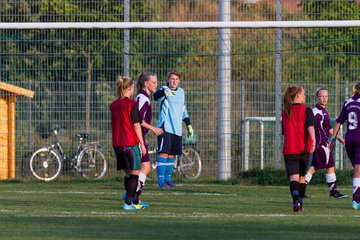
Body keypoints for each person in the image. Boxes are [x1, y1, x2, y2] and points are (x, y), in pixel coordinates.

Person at [110, 76, 147, 211]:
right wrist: (142, 144)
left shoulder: (113, 105)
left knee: (127, 173)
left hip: (117, 144)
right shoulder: (132, 104)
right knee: (135, 173)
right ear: (131, 88)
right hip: (130, 143)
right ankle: (128, 203)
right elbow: (136, 125)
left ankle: (132, 201)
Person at [153, 70, 194, 188]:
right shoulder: (164, 89)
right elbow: (156, 96)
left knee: (172, 154)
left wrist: (189, 125)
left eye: (176, 79)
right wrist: (165, 92)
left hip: (177, 129)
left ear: (179, 81)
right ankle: (161, 182)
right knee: (164, 153)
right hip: (165, 127)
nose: (174, 81)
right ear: (168, 80)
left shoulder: (181, 92)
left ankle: (168, 180)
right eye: (172, 79)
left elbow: (183, 110)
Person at [305, 88, 348, 198]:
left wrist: (339, 138)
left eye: (326, 96)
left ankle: (301, 190)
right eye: (321, 96)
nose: (324, 98)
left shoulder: (324, 111)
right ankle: (334, 192)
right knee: (330, 166)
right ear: (317, 98)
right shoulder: (316, 112)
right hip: (322, 144)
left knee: (314, 167)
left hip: (323, 143)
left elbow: (328, 128)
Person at [282, 85, 316, 212]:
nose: (305, 96)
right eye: (303, 94)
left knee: (294, 178)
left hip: (289, 149)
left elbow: (284, 132)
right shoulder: (306, 110)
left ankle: (296, 201)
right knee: (302, 177)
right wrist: (313, 139)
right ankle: (300, 203)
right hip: (303, 149)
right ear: (297, 96)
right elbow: (310, 127)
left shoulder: (285, 111)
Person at [133, 72, 163, 203]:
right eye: (154, 82)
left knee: (142, 168)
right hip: (137, 136)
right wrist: (153, 128)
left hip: (139, 135)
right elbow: (137, 120)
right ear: (146, 83)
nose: (156, 84)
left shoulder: (143, 97)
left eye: (156, 82)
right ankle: (133, 197)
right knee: (145, 167)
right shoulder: (143, 98)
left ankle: (133, 195)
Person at [329, 82, 360, 210]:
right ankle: (356, 200)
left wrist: (332, 139)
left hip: (349, 139)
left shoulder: (347, 102)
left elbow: (338, 122)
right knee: (358, 169)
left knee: (357, 169)